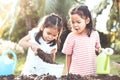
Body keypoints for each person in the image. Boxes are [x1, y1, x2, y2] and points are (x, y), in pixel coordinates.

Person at [62, 5, 101, 76]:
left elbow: (98, 49)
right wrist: (68, 72)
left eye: (78, 22)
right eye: (73, 22)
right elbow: (68, 55)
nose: (75, 25)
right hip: (75, 75)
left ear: (87, 21)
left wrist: (98, 50)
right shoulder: (71, 36)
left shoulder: (95, 34)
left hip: (91, 74)